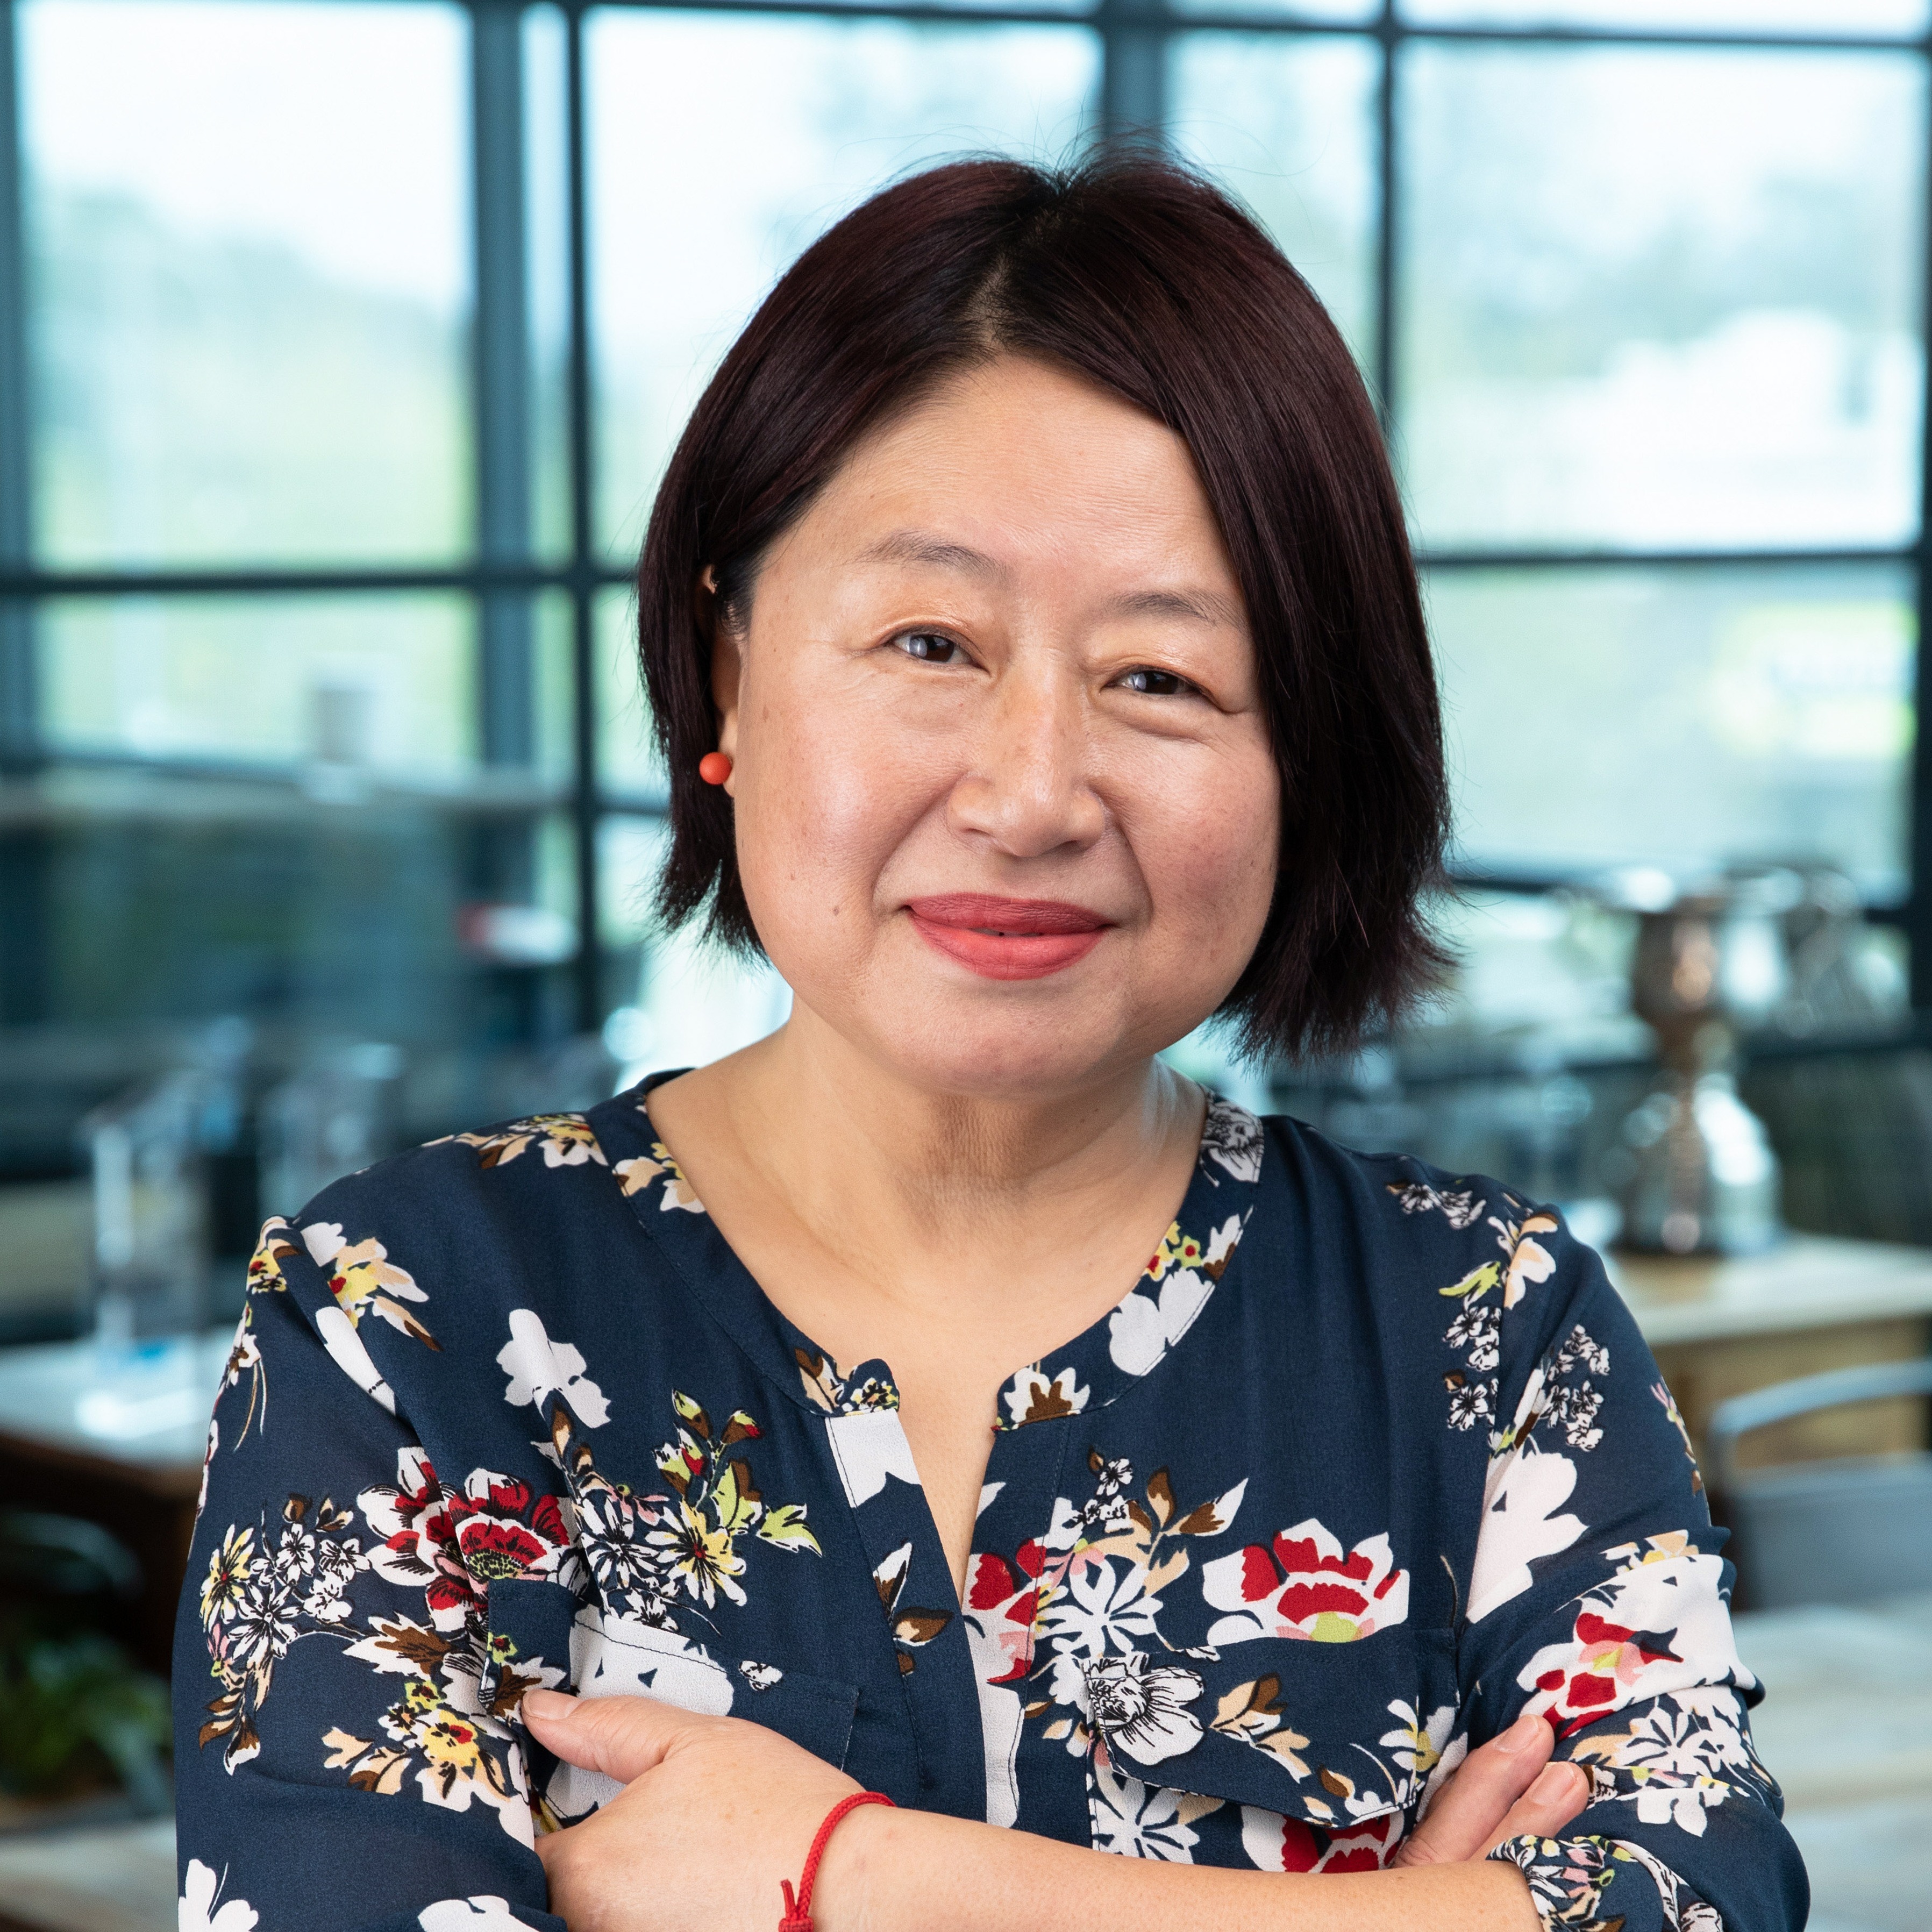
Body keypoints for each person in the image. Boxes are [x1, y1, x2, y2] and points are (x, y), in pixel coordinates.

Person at [174, 155, 1804, 1932]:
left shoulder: (1483, 1328)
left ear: (1306, 754)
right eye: (930, 640)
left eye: (1160, 677)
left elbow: (1694, 1892)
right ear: (729, 674)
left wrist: (845, 1873)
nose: (1031, 796)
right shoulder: (403, 1315)